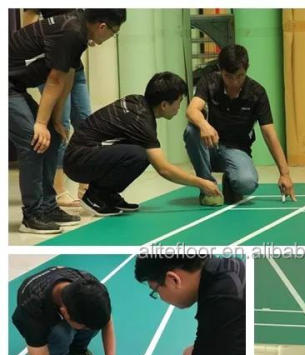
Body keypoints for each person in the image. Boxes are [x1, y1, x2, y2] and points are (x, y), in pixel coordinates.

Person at [9, 9, 127, 233]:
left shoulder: (80, 32)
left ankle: (48, 206)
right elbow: (54, 80)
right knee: (33, 141)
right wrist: (41, 124)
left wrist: (55, 121)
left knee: (52, 138)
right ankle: (32, 214)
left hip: (15, 85)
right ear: (103, 26)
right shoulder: (72, 31)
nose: (111, 37)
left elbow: (67, 78)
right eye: (114, 32)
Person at [64, 72, 221, 216]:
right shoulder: (141, 121)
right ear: (164, 105)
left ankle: (107, 194)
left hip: (82, 155)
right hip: (78, 160)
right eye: (178, 102)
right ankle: (95, 196)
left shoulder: (138, 103)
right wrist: (201, 183)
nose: (179, 107)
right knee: (140, 154)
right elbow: (164, 169)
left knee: (139, 151)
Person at [184, 44, 296, 206]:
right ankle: (207, 187)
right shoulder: (210, 82)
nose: (234, 82)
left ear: (246, 69)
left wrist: (284, 173)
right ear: (220, 70)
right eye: (229, 76)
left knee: (247, 183)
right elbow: (191, 110)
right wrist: (204, 125)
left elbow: (269, 133)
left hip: (237, 149)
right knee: (191, 130)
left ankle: (231, 180)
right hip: (210, 145)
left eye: (240, 76)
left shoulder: (257, 93)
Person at [22, 8, 92, 209]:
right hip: (54, 63)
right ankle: (58, 189)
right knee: (61, 125)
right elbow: (29, 25)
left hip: (74, 65)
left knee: (86, 122)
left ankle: (85, 186)